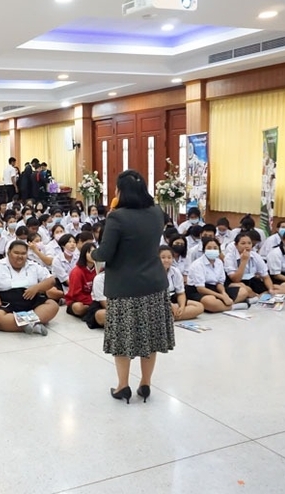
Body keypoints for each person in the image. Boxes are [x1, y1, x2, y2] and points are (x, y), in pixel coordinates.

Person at [91, 169, 174, 405]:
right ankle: (145, 384)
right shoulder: (157, 212)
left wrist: (92, 253)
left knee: (122, 339)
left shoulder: (117, 218)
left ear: (120, 191)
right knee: (151, 336)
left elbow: (105, 253)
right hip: (154, 284)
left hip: (125, 287)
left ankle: (123, 386)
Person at [0, 240, 60, 335]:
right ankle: (33, 325)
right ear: (8, 253)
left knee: (52, 305)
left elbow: (51, 280)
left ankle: (26, 324)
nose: (20, 256)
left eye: (23, 253)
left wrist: (37, 287)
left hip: (31, 300)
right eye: (16, 253)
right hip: (6, 302)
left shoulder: (33, 265)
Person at [186, 238, 249, 313]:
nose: (212, 250)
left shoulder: (219, 262)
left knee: (243, 291)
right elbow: (201, 289)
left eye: (215, 248)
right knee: (210, 301)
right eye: (209, 248)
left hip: (215, 288)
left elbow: (219, 283)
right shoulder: (198, 264)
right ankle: (232, 307)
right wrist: (221, 296)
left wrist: (224, 294)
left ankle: (222, 306)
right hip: (197, 290)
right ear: (204, 250)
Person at [159, 245, 203, 321]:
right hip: (158, 301)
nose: (166, 260)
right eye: (163, 258)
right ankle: (168, 316)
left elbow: (181, 293)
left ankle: (171, 316)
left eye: (169, 257)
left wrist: (182, 307)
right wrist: (170, 305)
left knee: (199, 306)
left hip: (172, 297)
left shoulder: (175, 271)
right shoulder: (152, 273)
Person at [65, 242, 98, 317]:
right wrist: (92, 301)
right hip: (77, 300)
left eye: (94, 252)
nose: (92, 255)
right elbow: (76, 294)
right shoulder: (77, 272)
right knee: (78, 308)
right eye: (89, 252)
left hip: (94, 299)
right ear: (84, 254)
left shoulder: (98, 269)